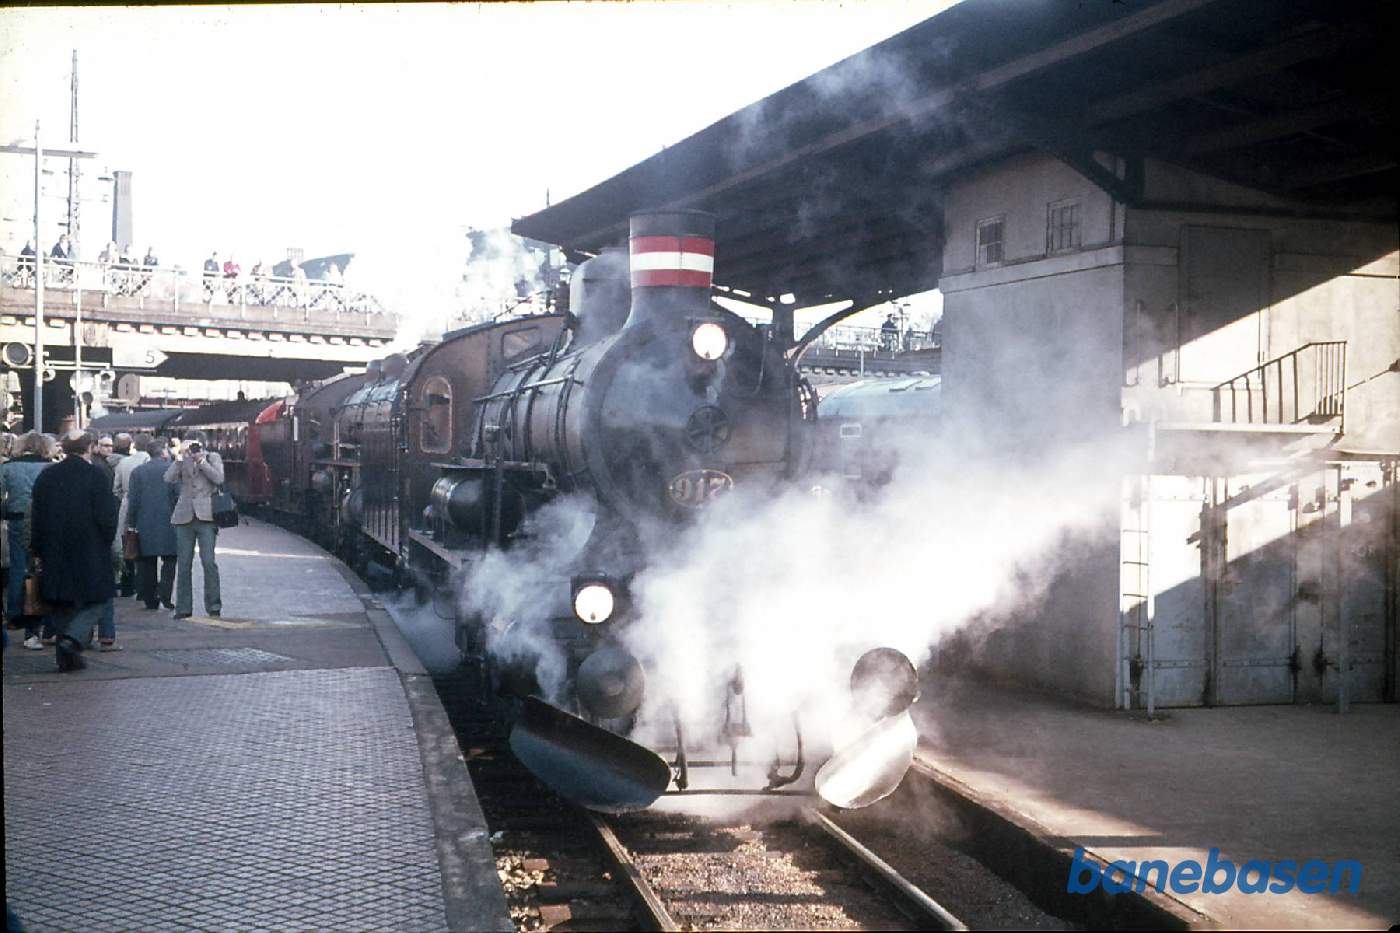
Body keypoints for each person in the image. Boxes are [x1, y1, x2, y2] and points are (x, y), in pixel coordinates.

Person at [29, 430, 117, 671]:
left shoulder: (48, 475)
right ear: (89, 447)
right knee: (98, 598)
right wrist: (106, 541)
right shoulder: (96, 475)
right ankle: (73, 639)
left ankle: (66, 658)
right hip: (90, 547)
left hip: (54, 547)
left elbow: (36, 515)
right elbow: (107, 516)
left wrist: (37, 547)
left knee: (61, 602)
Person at [166, 432, 224, 619]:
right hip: (184, 516)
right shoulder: (182, 460)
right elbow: (168, 478)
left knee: (209, 562)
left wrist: (201, 461)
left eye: (195, 446)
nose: (192, 450)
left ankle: (214, 605)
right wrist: (179, 459)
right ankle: (183, 608)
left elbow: (219, 478)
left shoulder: (212, 457)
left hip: (206, 516)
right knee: (183, 564)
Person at [0, 431, 50, 649]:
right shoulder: (49, 467)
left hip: (17, 520)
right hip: (44, 521)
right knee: (41, 568)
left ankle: (14, 613)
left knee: (18, 567)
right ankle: (40, 613)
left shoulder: (9, 468)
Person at [125, 437, 177, 611]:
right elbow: (179, 497)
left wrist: (131, 524)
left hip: (144, 522)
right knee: (170, 560)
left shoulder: (138, 472)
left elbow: (133, 501)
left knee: (147, 562)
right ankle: (165, 594)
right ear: (163, 452)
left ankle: (150, 599)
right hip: (170, 522)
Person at [111, 432, 149, 597]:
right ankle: (143, 586)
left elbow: (116, 488)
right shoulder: (148, 461)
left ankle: (127, 584)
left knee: (128, 544)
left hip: (127, 505)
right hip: (146, 506)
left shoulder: (123, 462)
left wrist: (125, 498)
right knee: (145, 546)